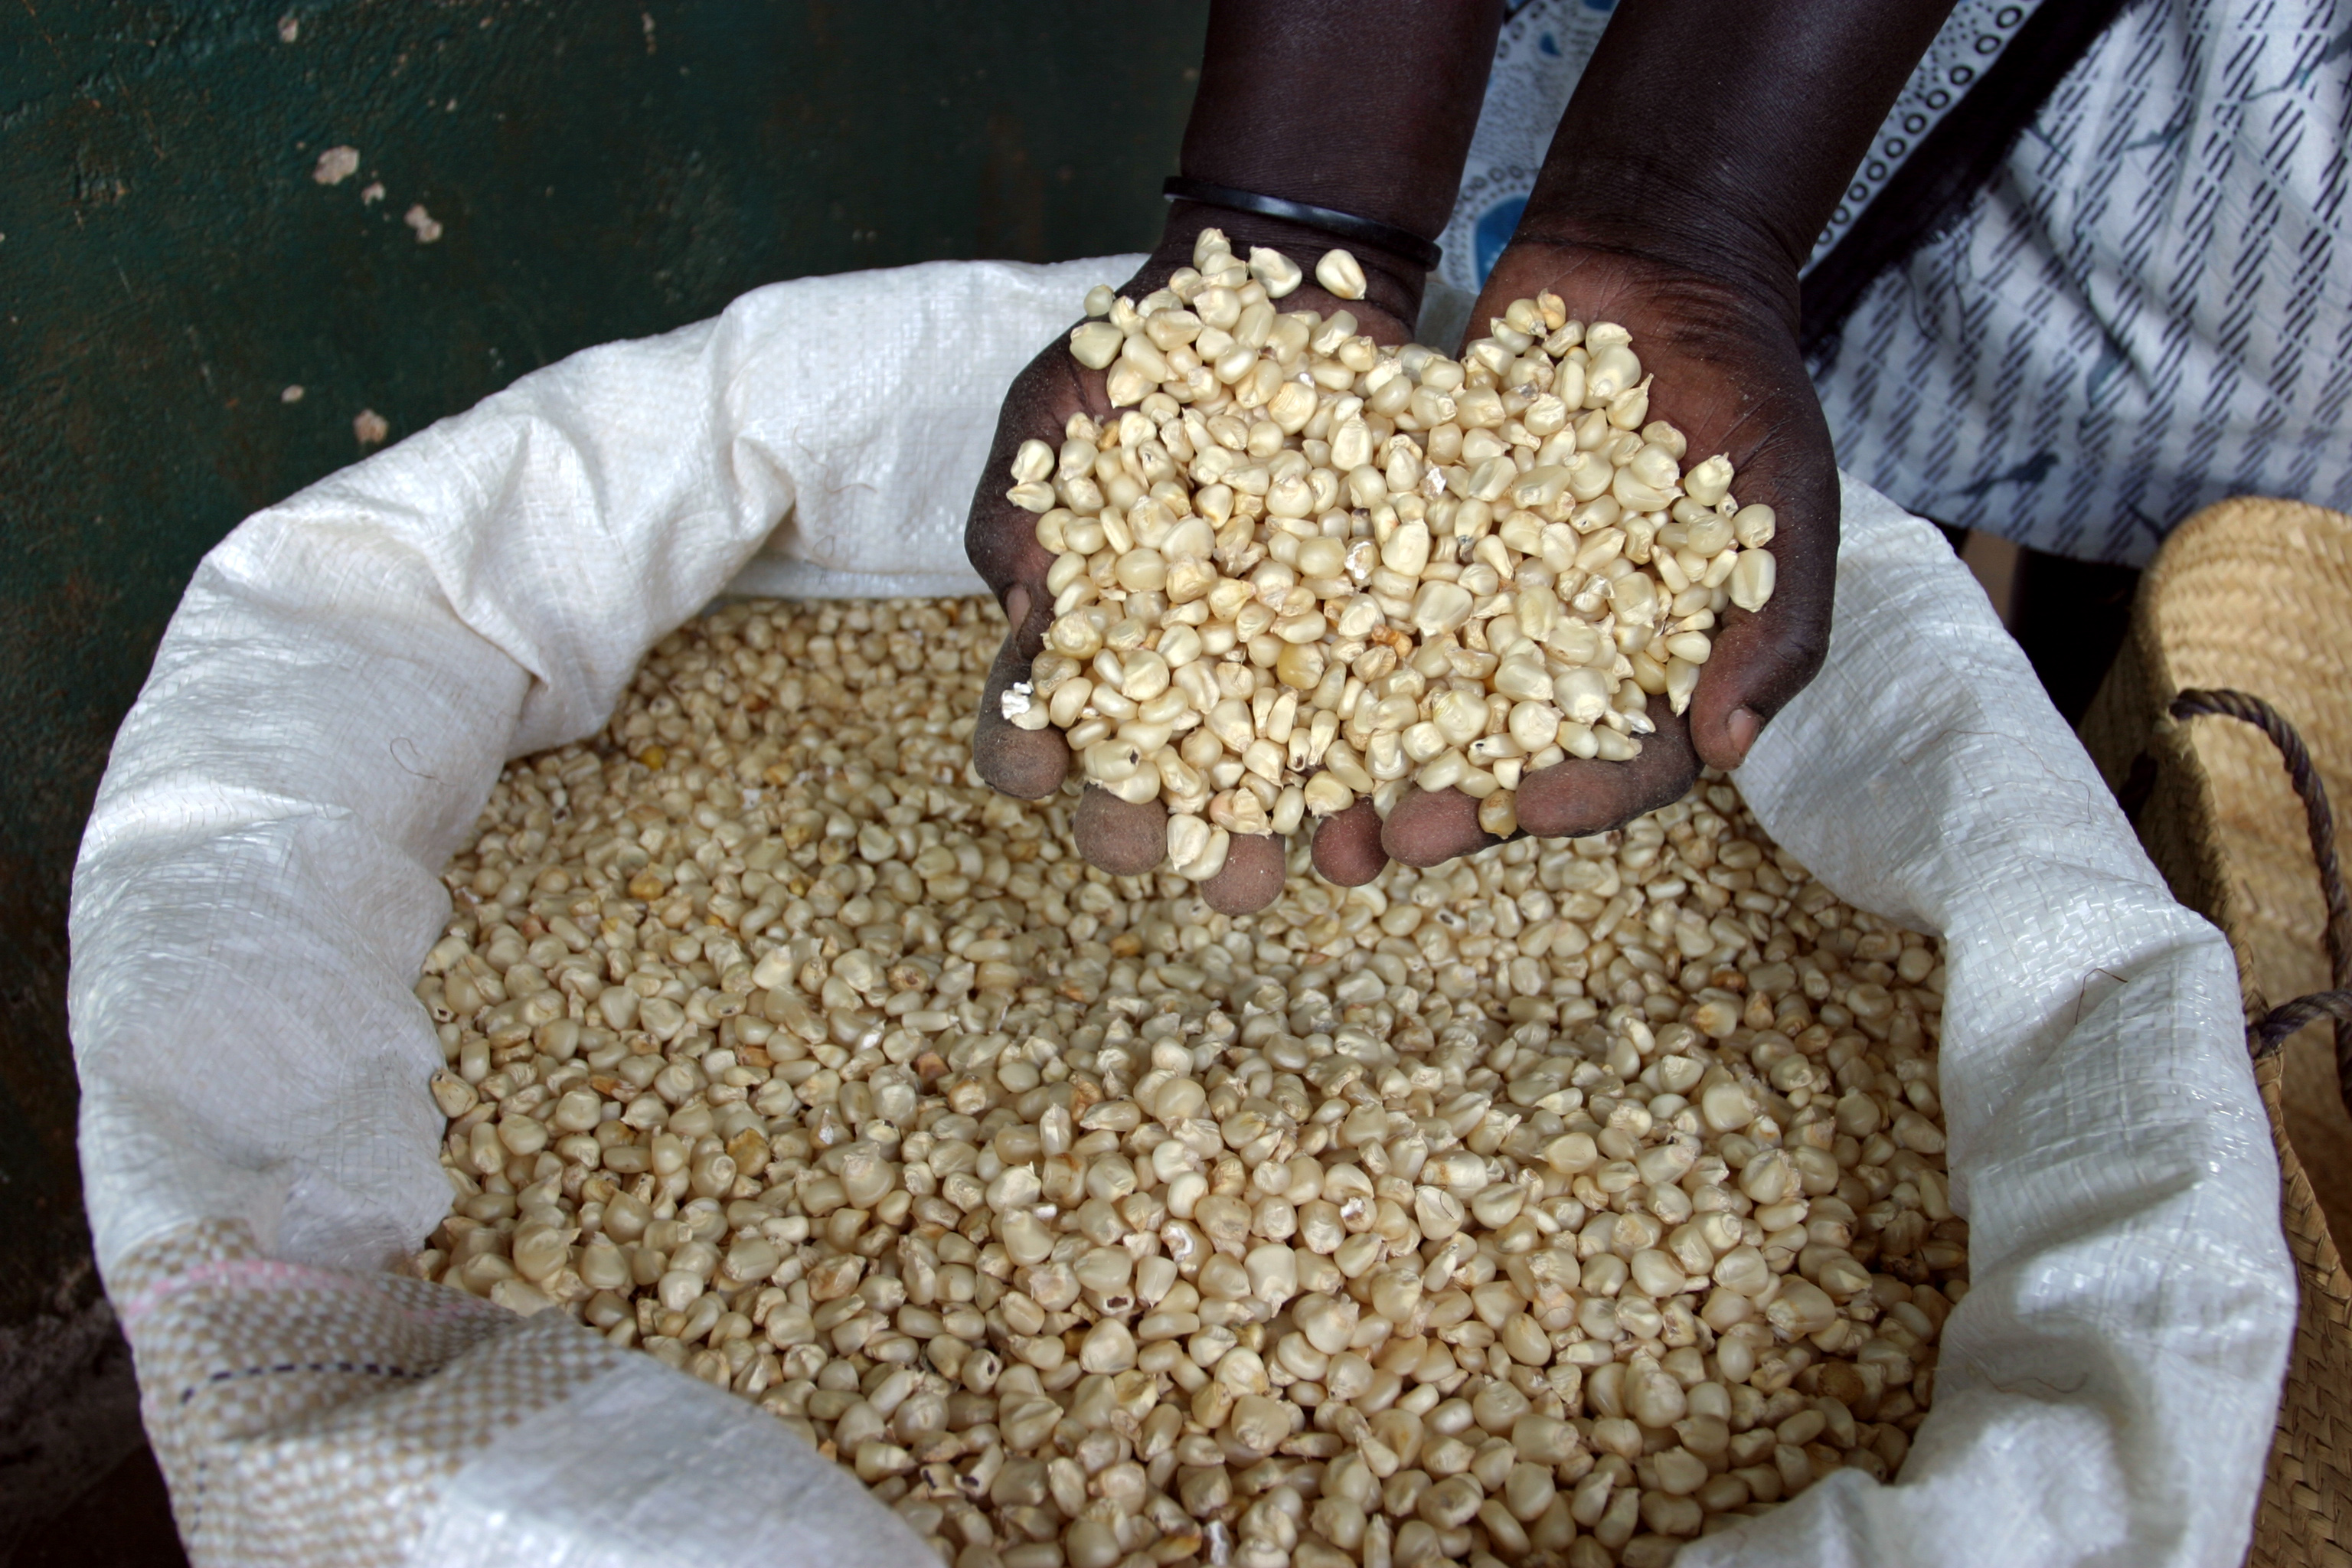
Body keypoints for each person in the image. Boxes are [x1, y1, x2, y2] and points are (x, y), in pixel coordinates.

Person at [962, 0, 2352, 915]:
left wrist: (1688, 218)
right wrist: (1301, 195)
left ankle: (2092, 672)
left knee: (2104, 524)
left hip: (2197, 143)